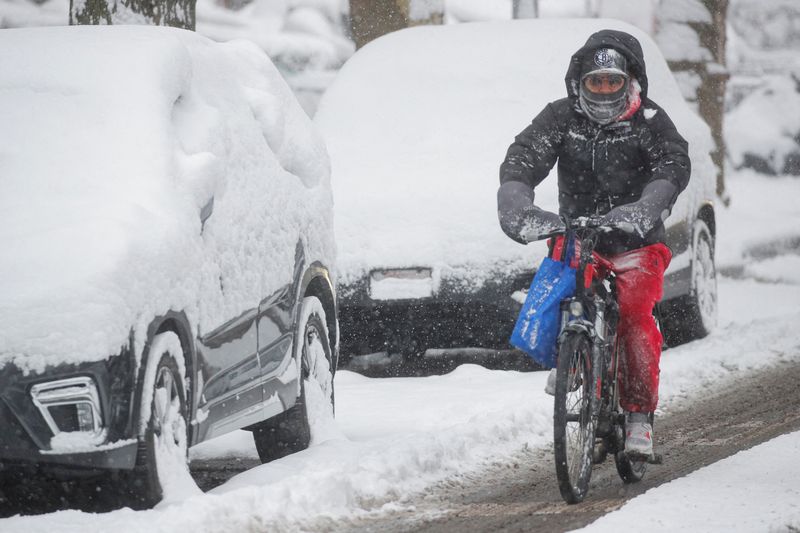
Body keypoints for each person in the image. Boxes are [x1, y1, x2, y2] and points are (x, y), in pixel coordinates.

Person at [497, 29, 691, 458]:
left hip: (637, 242)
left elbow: (673, 164)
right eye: (595, 82)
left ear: (629, 81)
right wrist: (516, 200)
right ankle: (572, 356)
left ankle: (638, 417)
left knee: (635, 316)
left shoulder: (650, 122)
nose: (603, 91)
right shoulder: (561, 118)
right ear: (579, 82)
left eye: (612, 81)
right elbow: (523, 157)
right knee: (556, 290)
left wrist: (646, 207)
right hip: (579, 234)